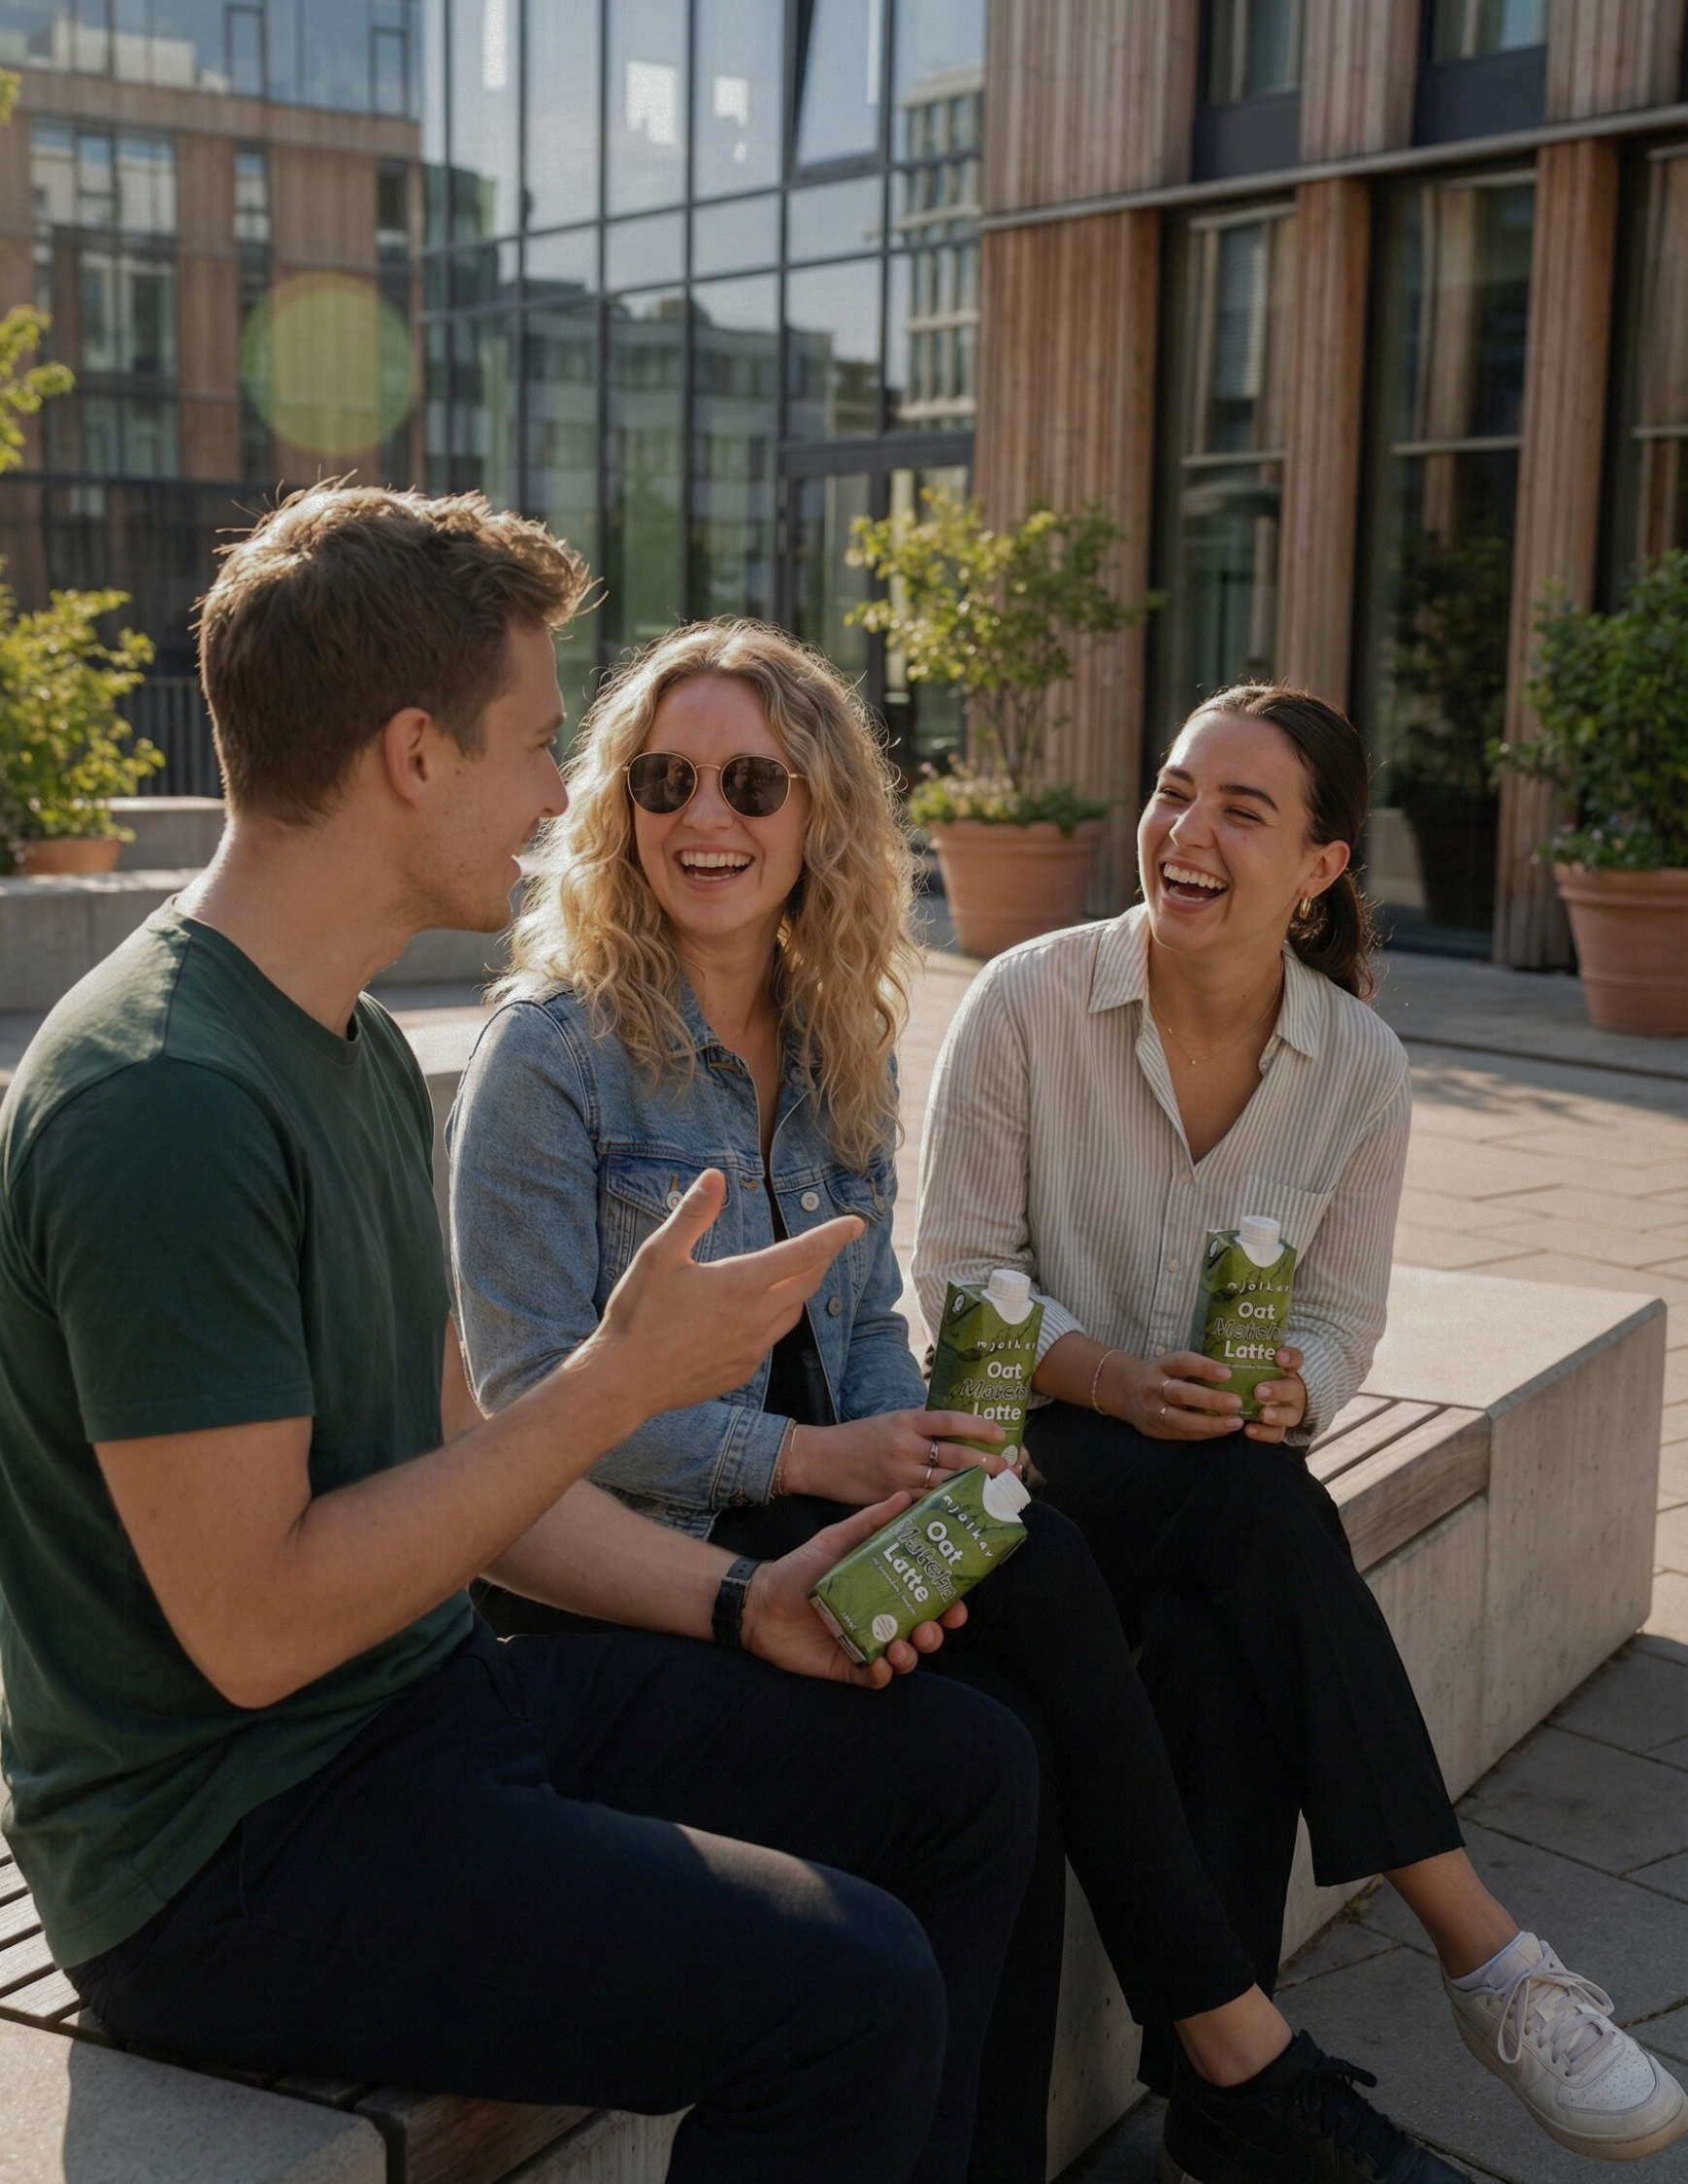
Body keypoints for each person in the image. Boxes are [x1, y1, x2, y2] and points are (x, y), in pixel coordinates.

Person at [0, 485, 1057, 2184]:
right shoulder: (164, 1102)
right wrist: (616, 1386)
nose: (560, 793)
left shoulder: (331, 1043)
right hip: (225, 1854)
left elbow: (462, 1469)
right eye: (536, 742)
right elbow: (258, 1630)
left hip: (418, 1707)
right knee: (844, 1987)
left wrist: (743, 1601)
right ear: (413, 754)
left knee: (970, 1772)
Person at [449, 622, 1474, 2184]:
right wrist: (825, 1453)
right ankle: (1235, 2044)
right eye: (662, 780)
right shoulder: (552, 1053)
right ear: (617, 807)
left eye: (750, 782)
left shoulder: (836, 1031)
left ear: (818, 817)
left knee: (1050, 1656)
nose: (702, 817)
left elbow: (870, 1328)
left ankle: (1147, 2092)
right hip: (632, 1580)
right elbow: (531, 1420)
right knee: (1037, 1618)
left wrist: (907, 1461)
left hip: (819, 1515)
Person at [912, 681, 1688, 2170]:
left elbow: (1339, 1318)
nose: (1182, 832)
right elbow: (955, 1286)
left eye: (1238, 811)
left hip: (1203, 1495)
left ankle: (1222, 2105)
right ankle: (1482, 1952)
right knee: (1257, 1512)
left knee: (1229, 1603)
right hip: (1024, 1473)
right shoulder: (1026, 1000)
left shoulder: (1358, 1068)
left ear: (1321, 867)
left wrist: (1297, 1391)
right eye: (1171, 790)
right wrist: (1115, 1382)